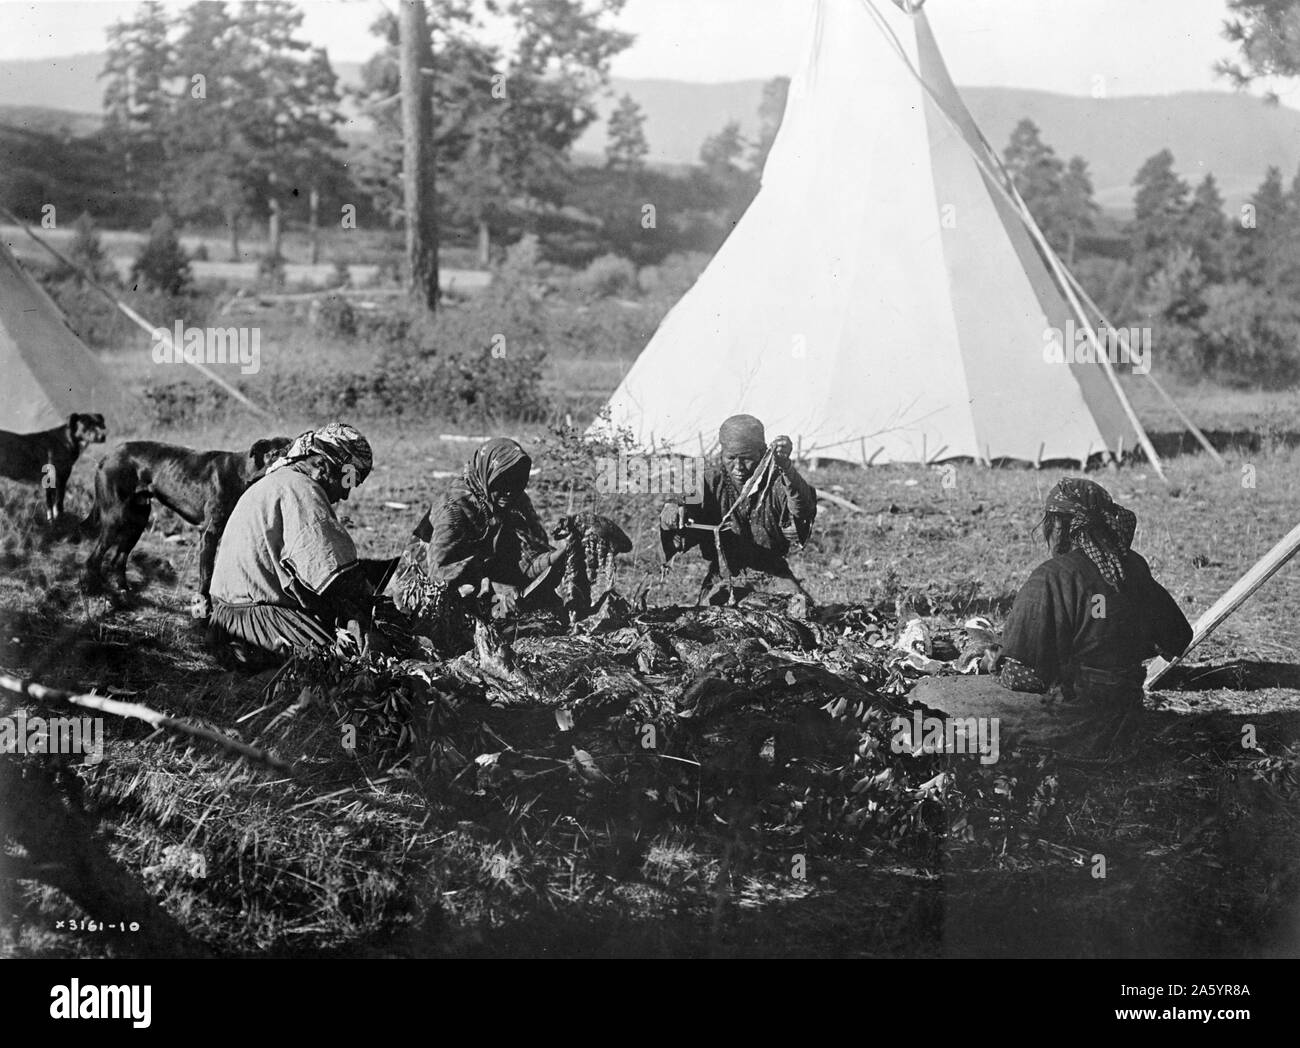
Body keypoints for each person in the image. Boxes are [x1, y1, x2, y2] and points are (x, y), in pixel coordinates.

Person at [996, 477, 1191, 710]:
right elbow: (1177, 638)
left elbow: (1027, 675)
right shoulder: (1132, 565)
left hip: (1077, 716)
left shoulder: (1051, 577)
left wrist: (994, 665)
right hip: (1128, 707)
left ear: (1058, 524)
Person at [207, 422, 376, 663]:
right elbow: (336, 577)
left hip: (224, 623)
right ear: (321, 465)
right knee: (352, 665)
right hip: (253, 624)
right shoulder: (300, 489)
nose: (346, 494)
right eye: (348, 479)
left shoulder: (279, 481)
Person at [658, 414, 817, 603]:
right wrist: (672, 510)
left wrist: (787, 467)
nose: (738, 467)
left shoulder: (777, 482)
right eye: (731, 458)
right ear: (721, 453)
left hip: (773, 574)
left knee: (802, 610)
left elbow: (802, 507)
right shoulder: (709, 482)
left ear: (762, 452)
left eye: (747, 458)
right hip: (724, 577)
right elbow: (681, 502)